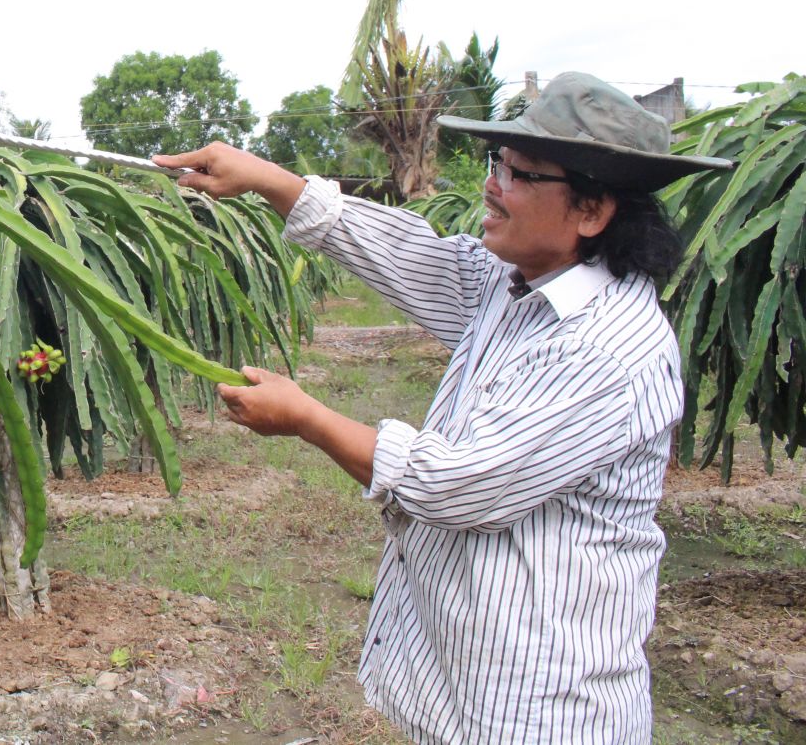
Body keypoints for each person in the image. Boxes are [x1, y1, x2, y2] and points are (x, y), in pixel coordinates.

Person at [153, 73, 733, 745]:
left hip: (544, 705)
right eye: (498, 163)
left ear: (592, 210)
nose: (493, 183)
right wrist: (266, 178)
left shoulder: (610, 348)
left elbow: (458, 484)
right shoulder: (513, 283)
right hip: (476, 680)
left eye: (520, 173)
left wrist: (307, 417)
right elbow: (415, 256)